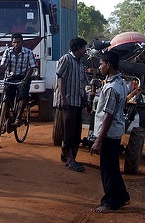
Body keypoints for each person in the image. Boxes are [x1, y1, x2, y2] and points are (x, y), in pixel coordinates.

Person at [91, 50, 130, 214]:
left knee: (108, 169)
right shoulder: (121, 83)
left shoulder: (112, 88)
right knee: (112, 166)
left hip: (109, 133)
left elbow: (108, 116)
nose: (100, 67)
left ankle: (110, 203)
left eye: (101, 64)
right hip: (115, 131)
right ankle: (122, 196)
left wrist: (99, 140)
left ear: (109, 65)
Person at [53, 37, 88, 172]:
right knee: (68, 131)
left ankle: (68, 156)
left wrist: (84, 95)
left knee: (75, 131)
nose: (85, 50)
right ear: (79, 48)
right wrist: (63, 99)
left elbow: (82, 82)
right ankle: (70, 160)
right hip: (67, 101)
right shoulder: (66, 59)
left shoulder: (80, 63)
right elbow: (60, 79)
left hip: (77, 101)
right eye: (84, 48)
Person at [0, 33, 36, 126]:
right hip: (10, 78)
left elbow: (31, 67)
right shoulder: (7, 52)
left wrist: (25, 79)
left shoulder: (29, 52)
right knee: (6, 98)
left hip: (23, 78)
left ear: (22, 42)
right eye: (14, 42)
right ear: (12, 43)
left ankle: (18, 118)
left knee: (23, 96)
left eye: (18, 42)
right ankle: (7, 121)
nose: (16, 44)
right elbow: (3, 66)